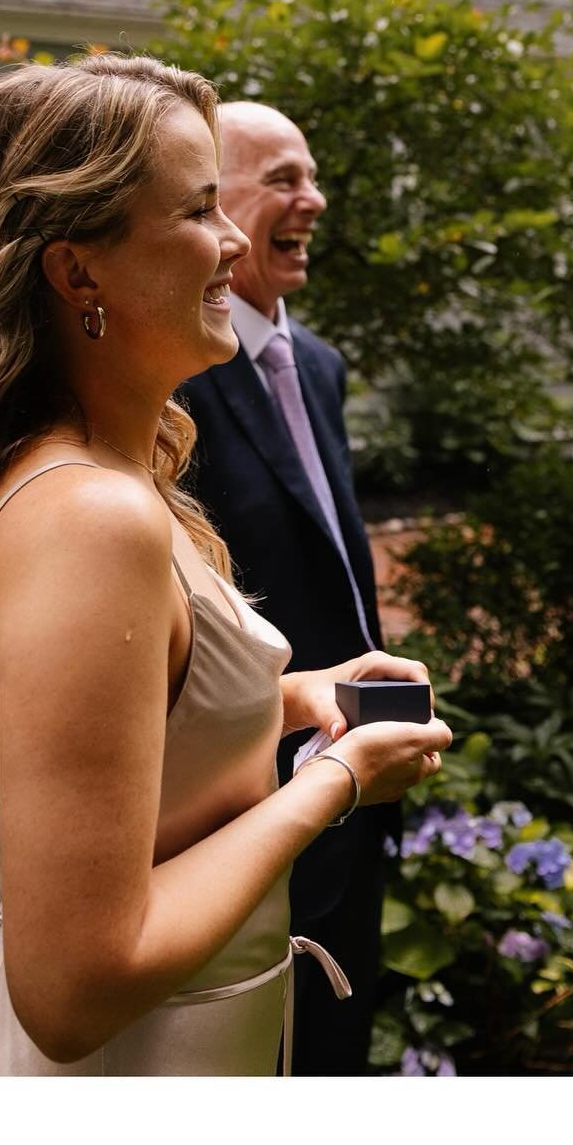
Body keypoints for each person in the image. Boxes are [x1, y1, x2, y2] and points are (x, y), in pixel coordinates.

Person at [0, 55, 450, 1076]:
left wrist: (299, 698)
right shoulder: (92, 519)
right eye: (196, 212)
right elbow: (77, 986)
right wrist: (338, 783)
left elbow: (120, 738)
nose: (232, 243)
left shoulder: (91, 475)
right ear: (76, 269)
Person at [178, 101, 391, 1076]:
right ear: (216, 210)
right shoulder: (177, 376)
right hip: (242, 789)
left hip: (357, 761)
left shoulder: (322, 366)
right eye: (283, 180)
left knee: (338, 1035)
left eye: (311, 176)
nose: (312, 199)